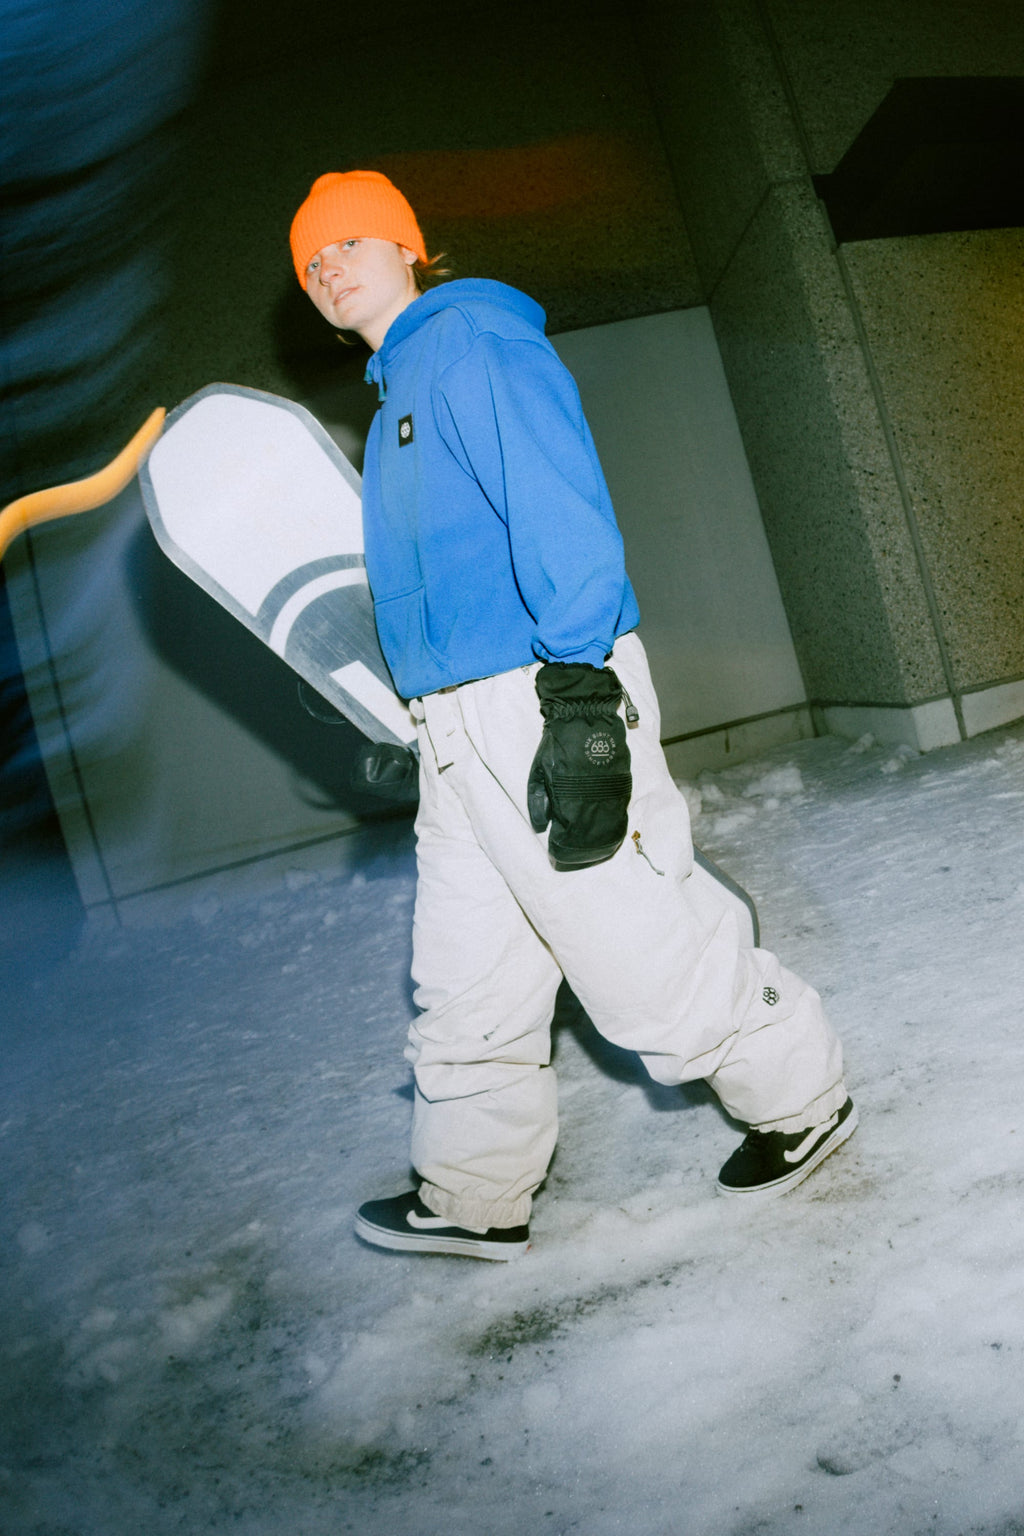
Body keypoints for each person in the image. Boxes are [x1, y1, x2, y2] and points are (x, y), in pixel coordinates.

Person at [289, 170, 857, 1261]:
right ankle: (472, 1192)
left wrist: (579, 687)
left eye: (348, 243)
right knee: (466, 973)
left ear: (409, 247)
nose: (327, 269)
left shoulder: (470, 343)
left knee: (637, 946)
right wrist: (409, 719)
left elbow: (559, 509)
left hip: (540, 686)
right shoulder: (396, 394)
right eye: (310, 262)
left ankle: (800, 1096)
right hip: (457, 728)